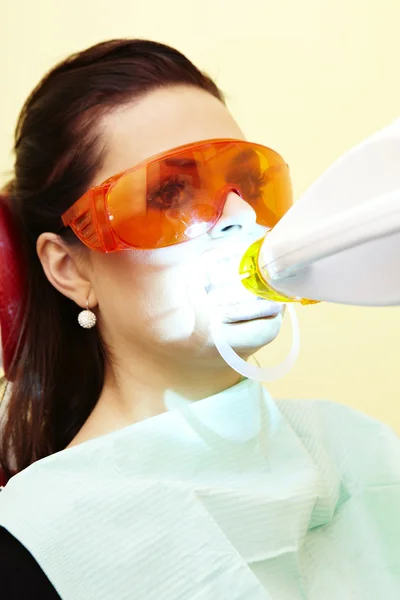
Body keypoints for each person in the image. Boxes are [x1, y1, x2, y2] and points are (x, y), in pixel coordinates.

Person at [0, 38, 400, 600]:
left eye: (251, 185)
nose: (239, 220)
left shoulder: (366, 452)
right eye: (168, 193)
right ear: (71, 269)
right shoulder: (37, 542)